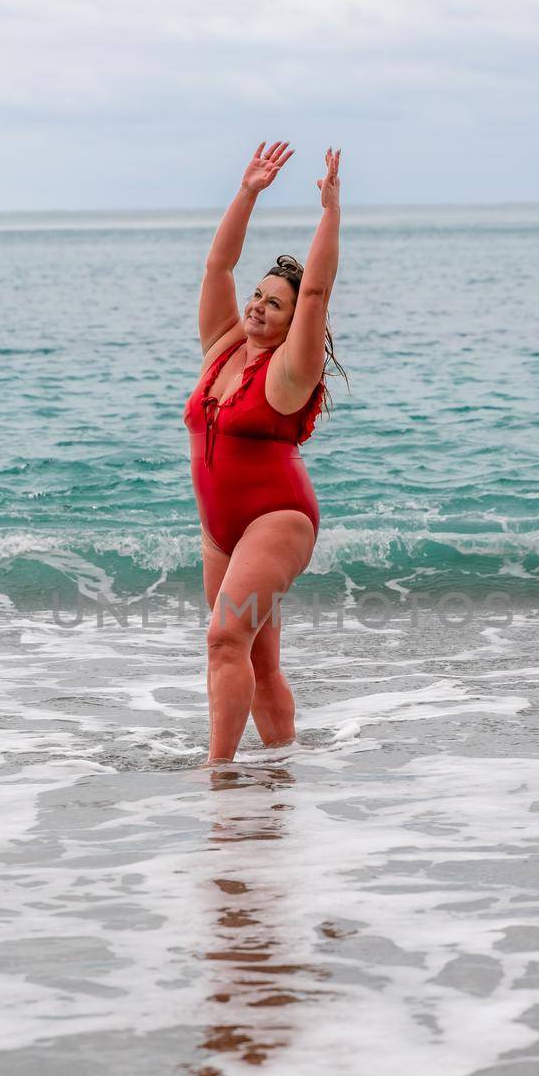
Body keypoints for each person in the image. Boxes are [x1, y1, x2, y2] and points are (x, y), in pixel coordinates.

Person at [184, 142, 345, 765]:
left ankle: (216, 774)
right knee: (253, 655)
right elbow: (217, 269)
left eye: (273, 304)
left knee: (225, 638)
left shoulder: (290, 371)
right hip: (219, 530)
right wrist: (248, 192)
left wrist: (329, 211)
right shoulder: (222, 343)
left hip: (276, 520)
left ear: (289, 322)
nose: (257, 305)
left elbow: (317, 292)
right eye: (258, 295)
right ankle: (284, 765)